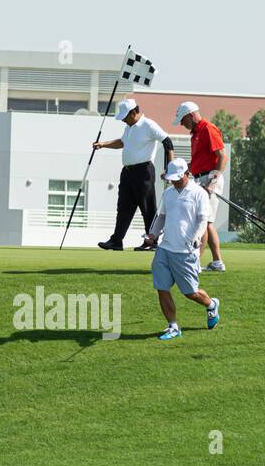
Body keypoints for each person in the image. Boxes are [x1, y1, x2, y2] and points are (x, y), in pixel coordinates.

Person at [144, 158, 220, 341]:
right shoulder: (169, 193)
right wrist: (153, 234)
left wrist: (196, 237)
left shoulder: (198, 193)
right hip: (165, 248)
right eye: (172, 179)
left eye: (178, 178)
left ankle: (211, 304)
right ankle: (173, 326)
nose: (175, 181)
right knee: (162, 288)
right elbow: (161, 217)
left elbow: (203, 220)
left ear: (187, 174)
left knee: (190, 292)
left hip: (186, 251)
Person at [93, 98, 175, 252]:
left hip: (143, 172)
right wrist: (103, 144)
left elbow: (168, 142)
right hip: (127, 172)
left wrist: (170, 168)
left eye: (125, 117)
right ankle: (117, 241)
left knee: (147, 208)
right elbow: (122, 142)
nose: (123, 120)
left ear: (134, 112)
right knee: (123, 207)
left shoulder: (148, 125)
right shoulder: (130, 127)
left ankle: (152, 241)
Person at [174, 101, 227, 271]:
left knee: (203, 221)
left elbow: (222, 157)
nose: (182, 124)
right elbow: (197, 163)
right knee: (207, 222)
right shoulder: (195, 133)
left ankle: (194, 262)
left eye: (183, 120)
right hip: (200, 179)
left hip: (210, 178)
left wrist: (213, 182)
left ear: (190, 115)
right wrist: (177, 173)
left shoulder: (207, 129)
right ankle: (217, 262)